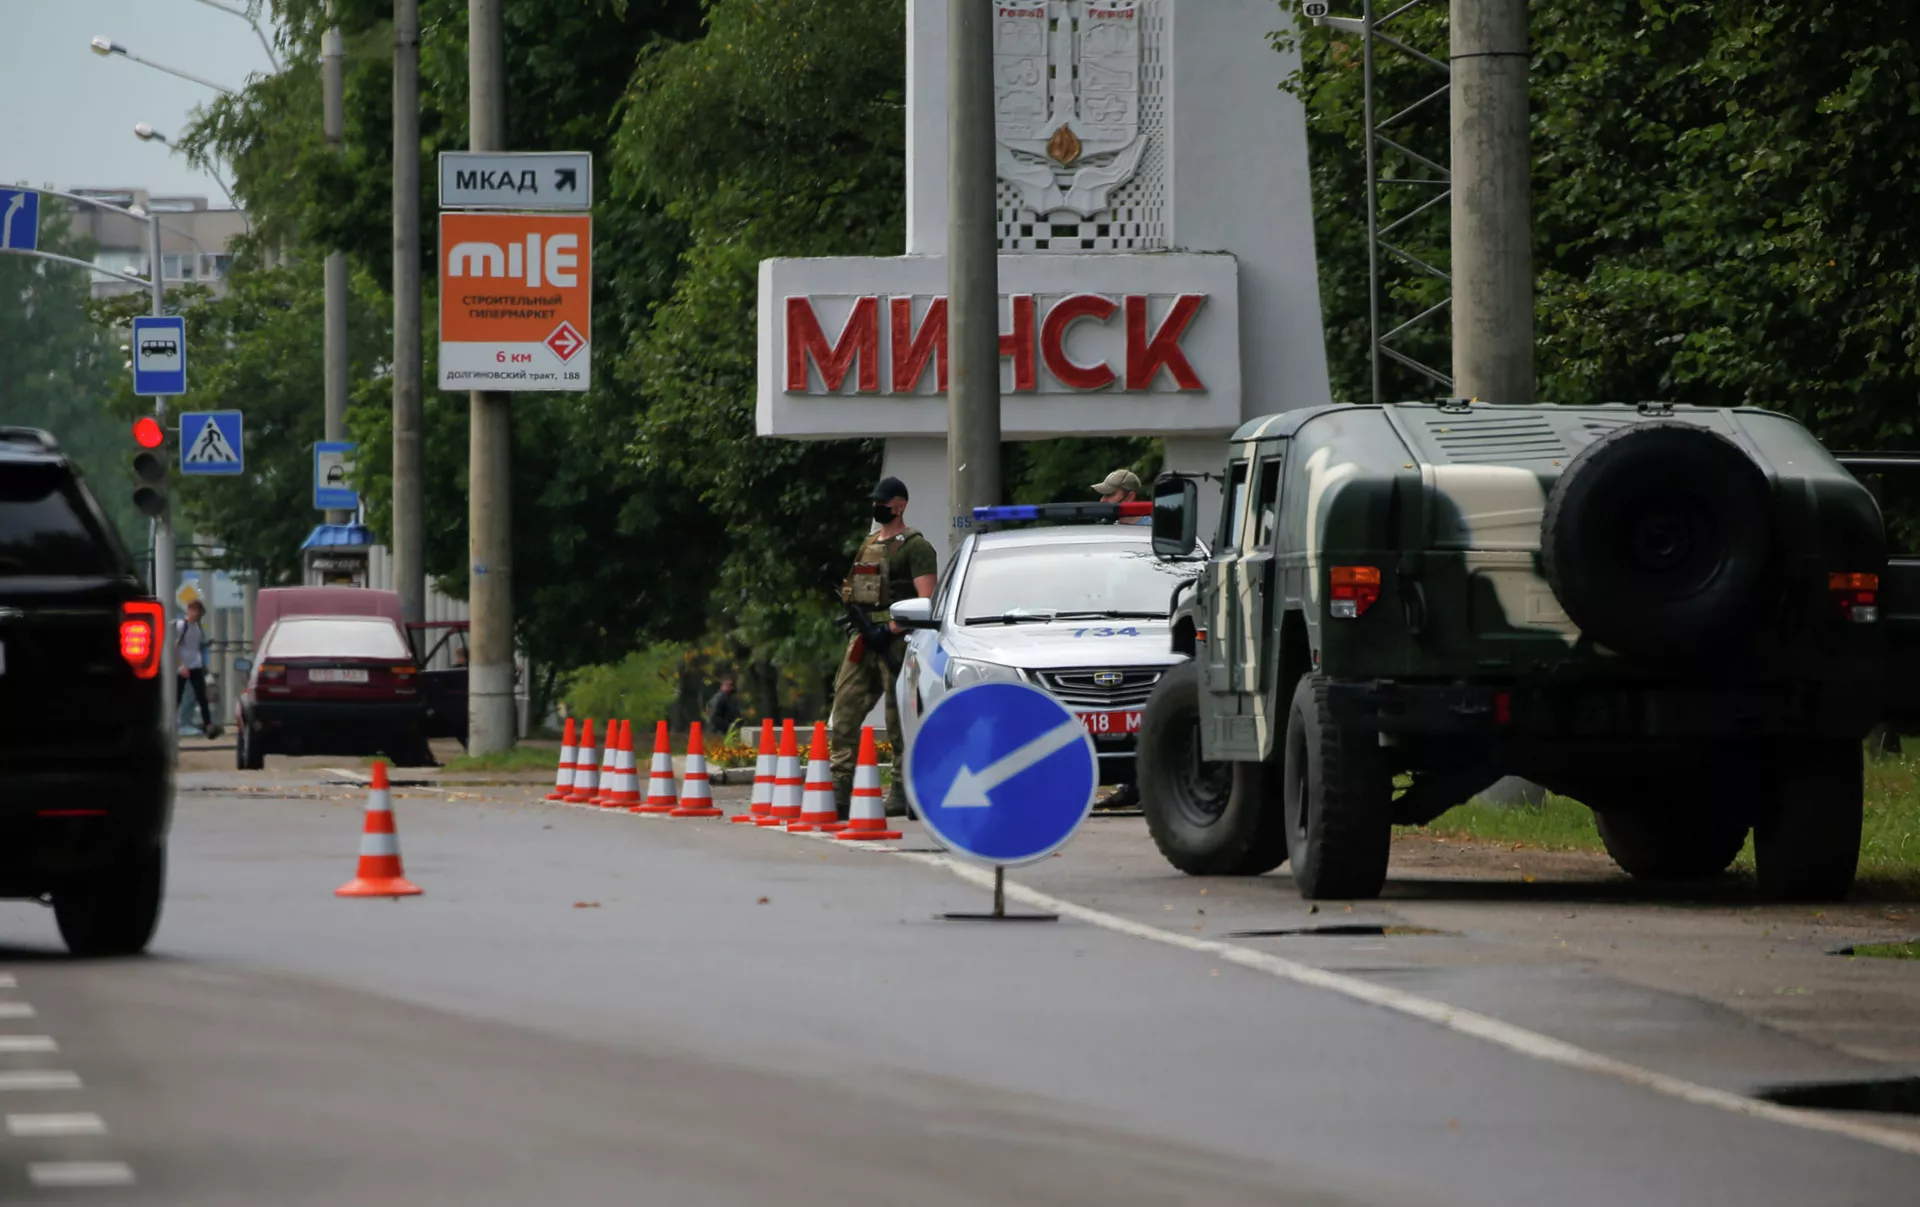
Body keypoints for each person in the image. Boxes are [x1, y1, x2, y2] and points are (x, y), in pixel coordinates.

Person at [830, 476, 937, 817]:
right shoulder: (869, 543)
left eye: (884, 502)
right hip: (863, 639)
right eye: (875, 502)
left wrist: (890, 628)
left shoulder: (916, 546)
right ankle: (837, 792)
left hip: (897, 642)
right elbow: (856, 590)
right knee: (844, 713)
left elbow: (927, 600)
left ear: (900, 505)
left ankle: (903, 792)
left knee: (897, 720)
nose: (878, 507)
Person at [175, 598, 221, 739]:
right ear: (189, 610)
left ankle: (208, 725)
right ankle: (172, 723)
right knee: (177, 696)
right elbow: (175, 646)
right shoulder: (182, 625)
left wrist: (205, 646)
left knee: (201, 696)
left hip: (196, 665)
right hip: (184, 667)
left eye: (199, 613)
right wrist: (180, 665)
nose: (196, 615)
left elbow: (196, 646)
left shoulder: (197, 627)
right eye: (194, 611)